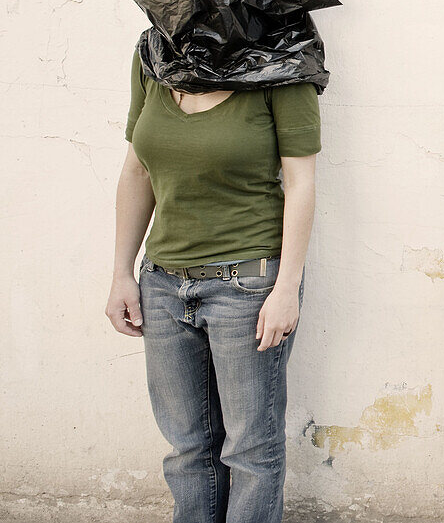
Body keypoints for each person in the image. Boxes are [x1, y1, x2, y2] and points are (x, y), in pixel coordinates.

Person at [104, 49, 320, 523]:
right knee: (187, 447)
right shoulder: (152, 59)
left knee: (250, 448)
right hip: (162, 285)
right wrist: (122, 271)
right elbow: (137, 170)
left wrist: (287, 286)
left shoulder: (283, 62)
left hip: (248, 283)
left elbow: (301, 182)